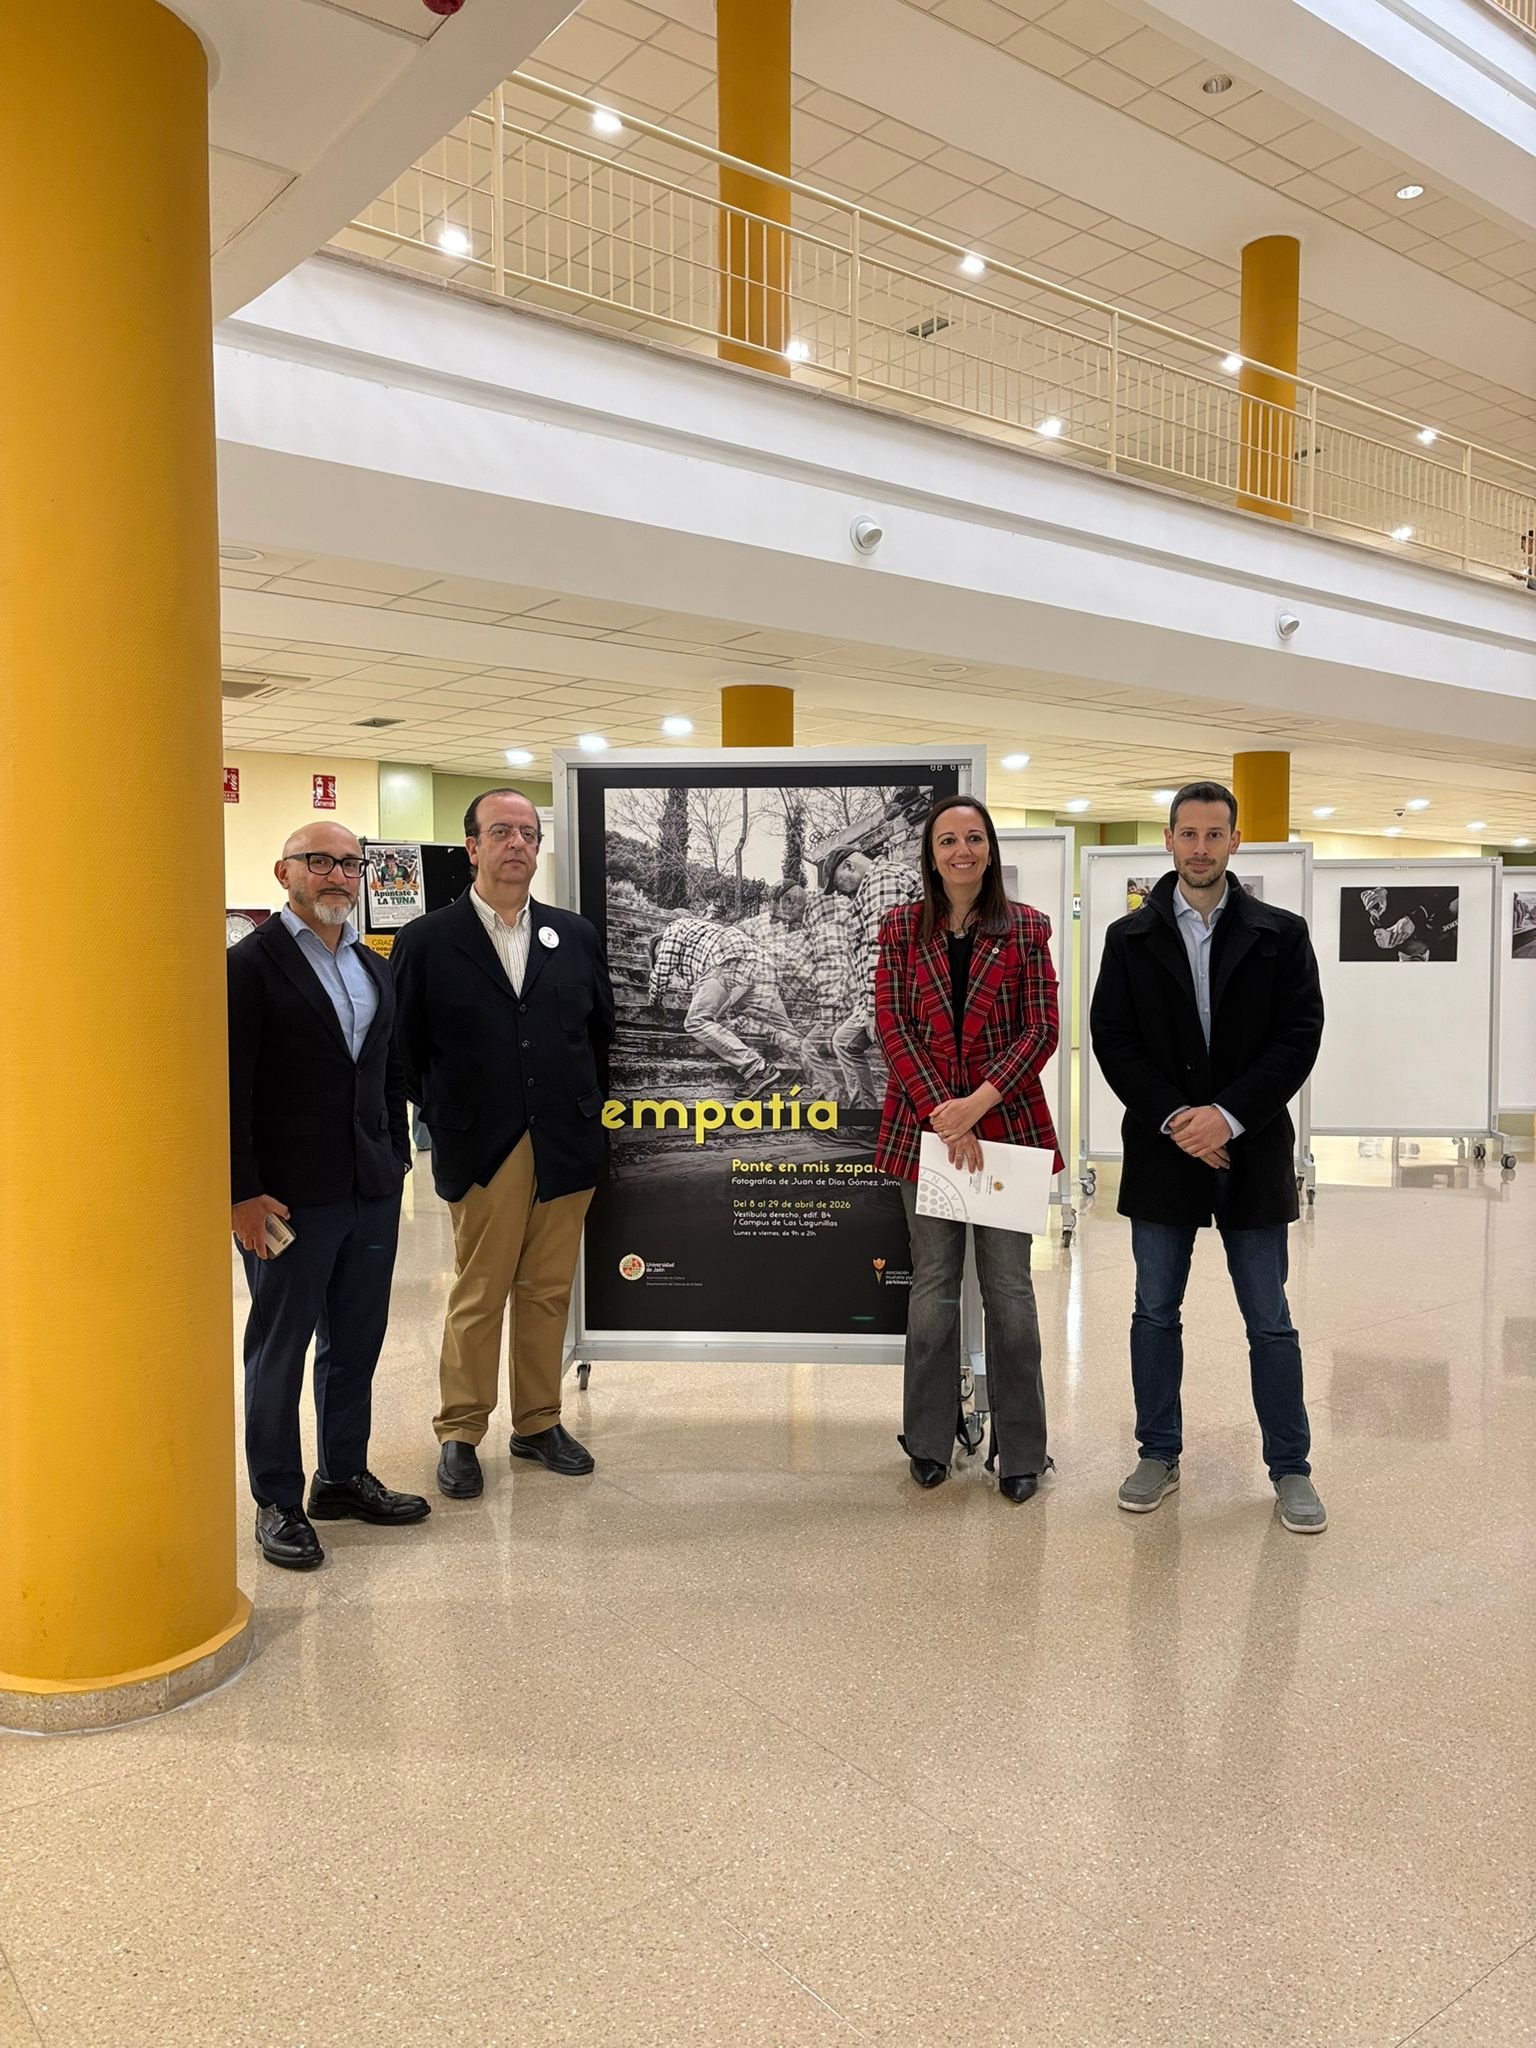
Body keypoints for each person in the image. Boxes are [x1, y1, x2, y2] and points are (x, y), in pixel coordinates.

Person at [1090, 781, 1327, 1533]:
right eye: (1187, 834)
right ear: (1167, 840)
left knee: (1271, 1320)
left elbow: (1299, 1036)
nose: (1199, 847)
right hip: (1163, 1152)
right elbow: (1114, 1041)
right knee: (1154, 1311)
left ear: (1235, 842)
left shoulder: (1280, 935)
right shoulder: (1128, 938)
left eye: (1213, 834)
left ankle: (1290, 1468)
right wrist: (1176, 1120)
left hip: (1251, 1151)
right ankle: (1157, 1453)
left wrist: (1226, 1118)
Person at [392, 789, 613, 1497]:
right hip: (483, 1145)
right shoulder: (427, 940)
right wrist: (455, 1111)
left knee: (548, 1291)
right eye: (501, 832)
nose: (517, 842)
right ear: (473, 848)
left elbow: (598, 1035)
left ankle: (538, 1422)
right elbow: (404, 1053)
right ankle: (461, 1430)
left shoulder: (572, 934)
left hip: (565, 1143)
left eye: (528, 832)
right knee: (480, 1291)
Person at [228, 823, 429, 1571]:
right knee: (279, 1350)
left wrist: (397, 1159)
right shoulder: (250, 967)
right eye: (321, 862)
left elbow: (387, 1073)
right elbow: (228, 1090)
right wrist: (241, 1193)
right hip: (284, 1203)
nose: (337, 875)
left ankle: (341, 1477)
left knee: (355, 1342)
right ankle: (276, 1499)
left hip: (370, 1192)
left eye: (349, 863)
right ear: (285, 872)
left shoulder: (373, 968)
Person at [874, 796, 1062, 1503]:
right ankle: (927, 1442)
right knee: (933, 1288)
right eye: (947, 840)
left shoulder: (1027, 928)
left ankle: (1021, 1449)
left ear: (989, 850)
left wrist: (977, 1105)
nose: (961, 851)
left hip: (1005, 1133)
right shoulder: (899, 928)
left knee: (1010, 1292)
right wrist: (943, 1117)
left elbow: (1039, 1031)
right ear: (930, 853)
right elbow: (891, 1025)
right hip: (925, 1133)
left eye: (974, 838)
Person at [646, 912, 799, 1099]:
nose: (661, 956)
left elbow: (662, 970)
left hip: (727, 962)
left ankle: (757, 1068)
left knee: (696, 1020)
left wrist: (653, 1002)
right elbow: (710, 994)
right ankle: (824, 1088)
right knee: (787, 1031)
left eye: (659, 951)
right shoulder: (698, 942)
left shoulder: (673, 929)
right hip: (760, 966)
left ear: (661, 940)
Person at [830, 841, 922, 1106]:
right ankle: (865, 1116)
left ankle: (914, 1123)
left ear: (849, 866)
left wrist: (874, 1010)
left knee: (902, 1061)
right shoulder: (875, 884)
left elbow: (881, 949)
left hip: (899, 995)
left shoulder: (882, 882)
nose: (840, 894)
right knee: (845, 1042)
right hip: (883, 993)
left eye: (839, 885)